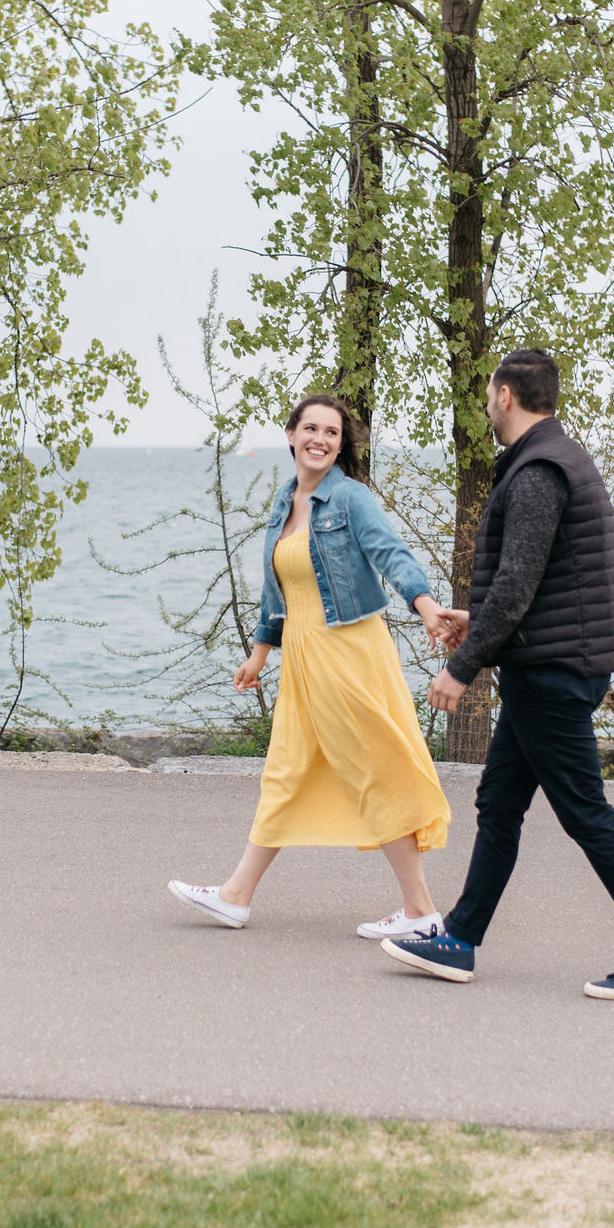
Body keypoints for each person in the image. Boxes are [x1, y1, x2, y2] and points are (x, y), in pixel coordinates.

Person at [381, 349, 614, 999]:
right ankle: (459, 939)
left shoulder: (537, 472)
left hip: (550, 673)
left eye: (489, 396)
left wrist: (460, 668)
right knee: (499, 804)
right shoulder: (553, 460)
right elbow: (539, 582)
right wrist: (482, 617)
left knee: (585, 812)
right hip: (542, 664)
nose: (487, 406)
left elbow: (520, 584)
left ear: (503, 395)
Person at [169, 393, 459, 939]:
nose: (320, 439)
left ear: (340, 443)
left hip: (349, 651)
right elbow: (275, 589)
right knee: (287, 768)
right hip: (303, 656)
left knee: (375, 768)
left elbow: (392, 554)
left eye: (331, 432)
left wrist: (425, 606)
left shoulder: (351, 500)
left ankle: (421, 911)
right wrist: (259, 654)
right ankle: (235, 896)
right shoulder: (284, 502)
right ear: (291, 434)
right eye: (311, 429)